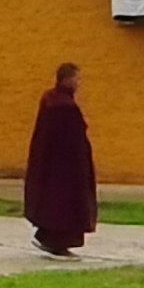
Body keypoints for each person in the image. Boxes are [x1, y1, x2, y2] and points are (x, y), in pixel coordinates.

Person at [23, 63, 98, 257]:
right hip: (66, 166)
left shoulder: (49, 99)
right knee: (66, 205)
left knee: (53, 202)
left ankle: (49, 238)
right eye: (76, 79)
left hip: (50, 164)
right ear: (66, 79)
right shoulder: (64, 106)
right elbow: (72, 138)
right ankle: (58, 242)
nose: (78, 83)